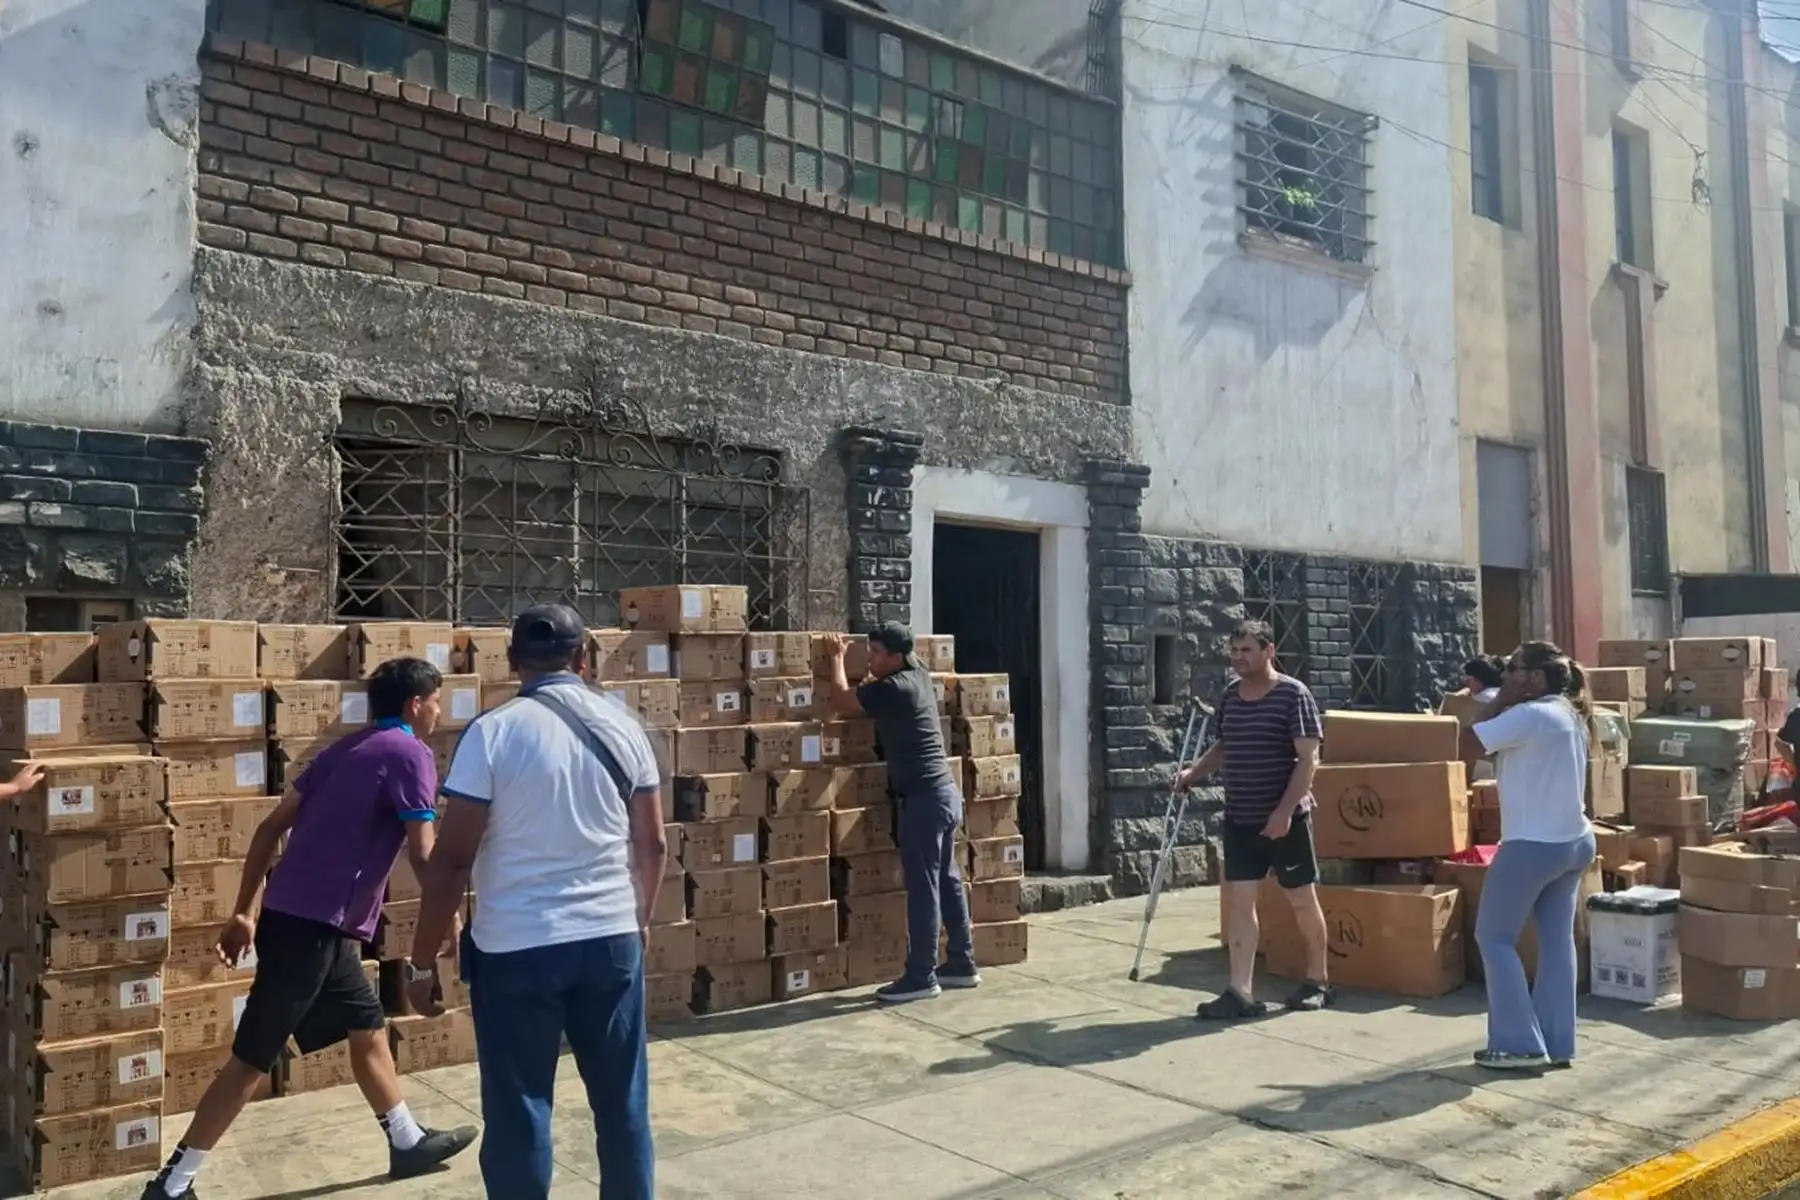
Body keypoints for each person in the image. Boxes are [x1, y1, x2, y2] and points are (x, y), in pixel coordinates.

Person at [140, 658, 477, 1200]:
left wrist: (245, 910)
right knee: (253, 1056)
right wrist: (450, 915)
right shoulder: (411, 753)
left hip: (301, 921)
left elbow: (270, 829)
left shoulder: (341, 751)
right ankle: (173, 1184)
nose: (439, 711)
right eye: (436, 701)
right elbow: (424, 853)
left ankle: (407, 1141)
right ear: (416, 704)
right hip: (314, 930)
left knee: (367, 1027)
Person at [407, 603, 665, 1200]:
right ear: (583, 657)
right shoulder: (624, 728)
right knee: (622, 1107)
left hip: (517, 949)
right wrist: (640, 920)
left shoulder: (492, 733)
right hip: (609, 939)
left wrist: (422, 963)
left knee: (520, 1111)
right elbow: (651, 846)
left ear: (513, 661)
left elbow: (450, 861)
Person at [1174, 620, 1331, 1019]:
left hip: (1285, 820)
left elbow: (1308, 759)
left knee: (1300, 898)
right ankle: (1240, 992)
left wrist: (1283, 812)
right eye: (1234, 651)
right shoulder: (1231, 696)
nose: (1238, 658)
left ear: (1268, 650)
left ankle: (1319, 981)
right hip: (1241, 817)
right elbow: (1225, 745)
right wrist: (1193, 773)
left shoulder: (1293, 695)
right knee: (1241, 904)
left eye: (1246, 650)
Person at [1461, 640, 1597, 1071]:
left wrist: (1500, 699)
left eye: (1513, 668)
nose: (1506, 675)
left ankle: (1518, 1043)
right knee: (1557, 942)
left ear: (1534, 678)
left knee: (1494, 938)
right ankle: (1557, 1043)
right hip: (1574, 841)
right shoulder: (1570, 714)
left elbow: (1464, 744)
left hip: (1531, 846)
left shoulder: (1528, 715)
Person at [824, 621, 976, 1004]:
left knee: (925, 888)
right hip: (943, 794)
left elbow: (842, 701)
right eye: (868, 652)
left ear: (895, 657)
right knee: (947, 879)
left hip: (924, 800)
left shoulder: (894, 689)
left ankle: (921, 975)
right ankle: (962, 962)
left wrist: (836, 658)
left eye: (875, 653)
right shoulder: (918, 674)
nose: (870, 660)